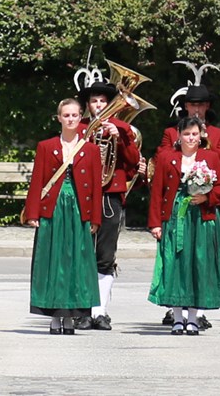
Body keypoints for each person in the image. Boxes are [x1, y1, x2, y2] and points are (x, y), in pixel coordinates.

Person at [24, 98, 102, 335]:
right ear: (59, 118)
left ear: (81, 118)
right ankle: (54, 316)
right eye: (66, 115)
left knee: (77, 263)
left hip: (80, 209)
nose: (70, 119)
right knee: (53, 260)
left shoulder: (90, 149)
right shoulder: (46, 146)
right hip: (54, 208)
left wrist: (96, 218)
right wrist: (32, 212)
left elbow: (97, 187)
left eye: (74, 115)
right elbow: (37, 180)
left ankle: (71, 316)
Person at [147, 116, 220, 335]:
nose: (191, 138)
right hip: (176, 215)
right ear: (179, 135)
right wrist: (156, 223)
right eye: (186, 134)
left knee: (197, 265)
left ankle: (193, 318)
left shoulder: (210, 157)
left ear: (201, 135)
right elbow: (157, 191)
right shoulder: (167, 158)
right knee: (176, 265)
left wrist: (207, 198)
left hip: (201, 218)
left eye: (194, 134)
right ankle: (176, 317)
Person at [74, 79, 140, 331]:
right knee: (82, 253)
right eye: (94, 101)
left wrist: (120, 138)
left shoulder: (122, 127)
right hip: (83, 196)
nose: (99, 105)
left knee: (105, 254)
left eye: (103, 101)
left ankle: (100, 310)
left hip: (110, 195)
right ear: (88, 105)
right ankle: (82, 310)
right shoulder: (80, 127)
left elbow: (134, 162)